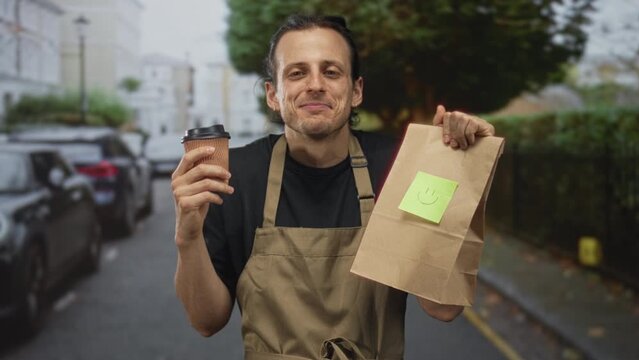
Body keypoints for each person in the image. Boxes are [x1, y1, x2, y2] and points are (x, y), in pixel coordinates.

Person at [172, 14, 495, 359]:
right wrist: (187, 237)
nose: (315, 84)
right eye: (297, 73)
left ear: (355, 91)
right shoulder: (235, 177)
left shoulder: (396, 168)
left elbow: (442, 308)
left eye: (331, 71)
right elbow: (206, 321)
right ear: (273, 95)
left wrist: (446, 170)